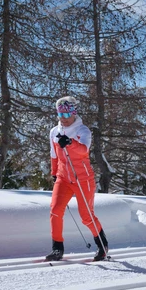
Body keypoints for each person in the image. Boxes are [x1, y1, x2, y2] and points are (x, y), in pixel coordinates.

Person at [46, 96, 109, 262]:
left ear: (74, 113)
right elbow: (54, 156)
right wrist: (54, 173)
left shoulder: (83, 131)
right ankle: (57, 248)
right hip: (63, 178)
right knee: (55, 210)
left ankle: (102, 244)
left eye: (67, 115)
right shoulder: (54, 131)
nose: (63, 119)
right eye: (60, 114)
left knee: (86, 216)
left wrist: (70, 143)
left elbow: (83, 150)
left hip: (82, 179)